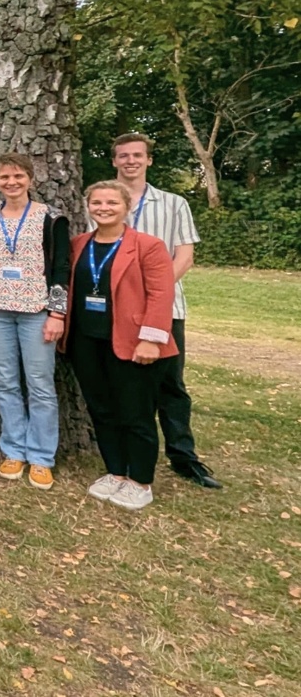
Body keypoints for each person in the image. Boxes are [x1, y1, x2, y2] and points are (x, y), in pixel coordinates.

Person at [63, 181, 179, 510]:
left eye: (111, 202)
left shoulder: (147, 246)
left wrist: (150, 339)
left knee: (136, 412)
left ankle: (140, 480)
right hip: (86, 341)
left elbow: (161, 293)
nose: (103, 208)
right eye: (97, 202)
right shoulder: (78, 244)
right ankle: (115, 471)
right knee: (101, 409)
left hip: (133, 343)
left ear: (126, 206)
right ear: (88, 206)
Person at [112, 133, 217, 488]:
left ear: (148, 160)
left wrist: (151, 293)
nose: (130, 161)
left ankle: (183, 457)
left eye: (137, 155)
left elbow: (184, 256)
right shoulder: (99, 200)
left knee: (170, 385)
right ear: (114, 161)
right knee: (121, 384)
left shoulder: (173, 204)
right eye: (123, 156)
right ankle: (124, 453)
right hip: (114, 311)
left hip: (165, 308)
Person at [0, 153, 70, 490]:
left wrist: (57, 313)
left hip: (37, 312)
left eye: (18, 176)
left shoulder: (51, 219)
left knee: (40, 385)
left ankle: (41, 457)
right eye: (4, 178)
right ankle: (14, 450)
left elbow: (61, 269)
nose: (11, 183)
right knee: (7, 383)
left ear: (30, 178)